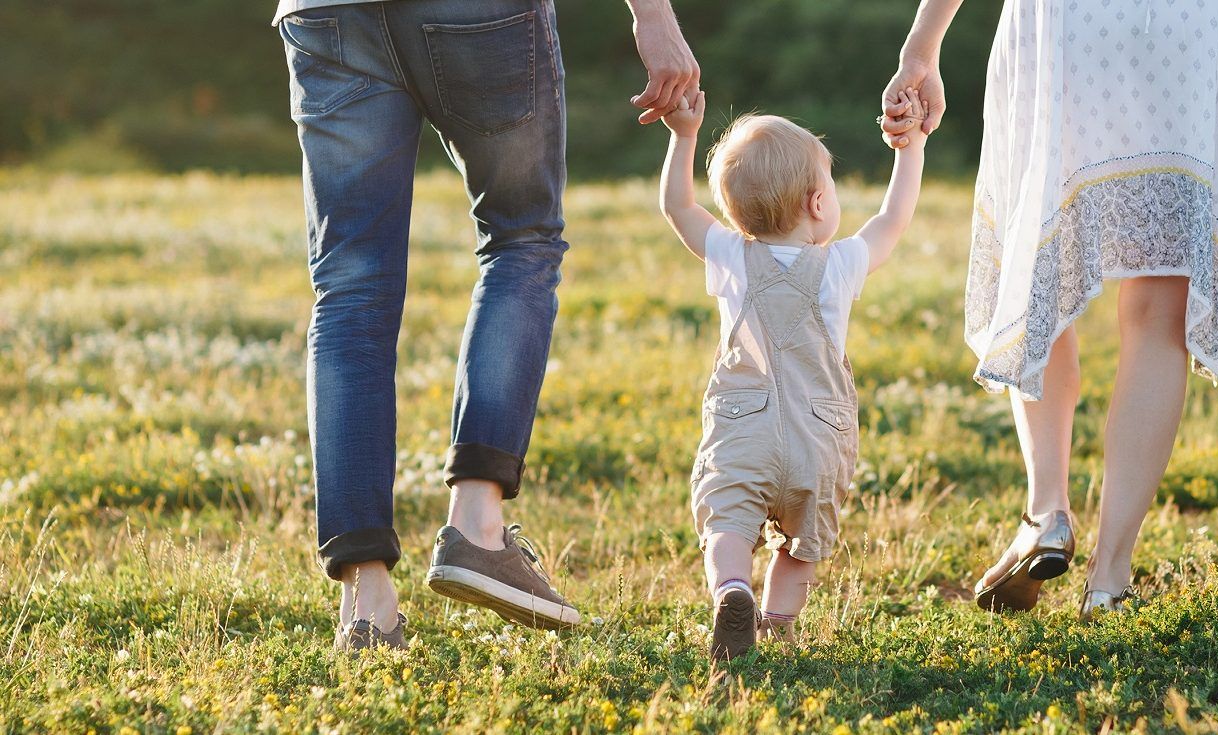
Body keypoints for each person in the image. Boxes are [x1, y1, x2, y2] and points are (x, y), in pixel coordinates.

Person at [273, 0, 700, 650]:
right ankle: (477, 521)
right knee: (520, 238)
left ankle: (367, 601)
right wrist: (653, 16)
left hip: (326, 13)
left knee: (350, 290)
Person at [880, 0, 1218, 619]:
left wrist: (922, 46)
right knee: (1157, 311)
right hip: (1193, 30)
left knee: (1042, 253)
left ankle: (1047, 514)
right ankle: (1110, 575)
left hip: (1069, 23)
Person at [657, 89, 929, 658]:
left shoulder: (731, 256)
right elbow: (893, 218)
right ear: (816, 204)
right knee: (800, 546)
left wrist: (684, 138)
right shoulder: (842, 264)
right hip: (818, 435)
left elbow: (678, 208)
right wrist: (911, 148)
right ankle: (778, 624)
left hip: (743, 430)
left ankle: (732, 590)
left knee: (727, 524)